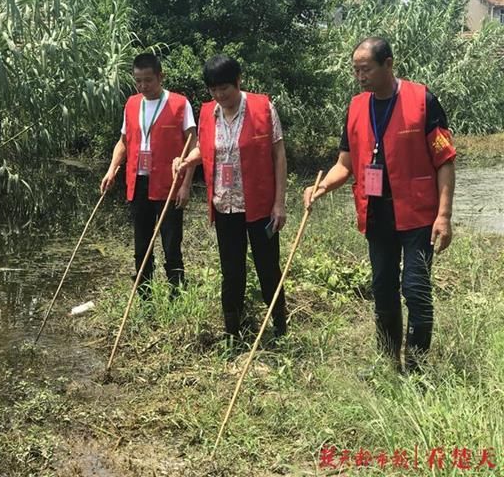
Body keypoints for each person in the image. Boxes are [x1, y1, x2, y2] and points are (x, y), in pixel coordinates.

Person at [303, 37, 456, 373]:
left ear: (388, 64)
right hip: (376, 215)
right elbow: (345, 164)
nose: (360, 77)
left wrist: (443, 215)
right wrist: (322, 186)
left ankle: (415, 369)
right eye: (356, 70)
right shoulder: (357, 107)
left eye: (366, 69)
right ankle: (388, 363)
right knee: (383, 289)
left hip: (417, 215)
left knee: (415, 289)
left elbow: (444, 159)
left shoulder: (422, 100)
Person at [174, 55, 288, 341]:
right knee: (231, 270)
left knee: (268, 267)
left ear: (238, 81)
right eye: (213, 89)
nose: (219, 95)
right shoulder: (208, 113)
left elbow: (278, 154)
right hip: (225, 205)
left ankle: (279, 326)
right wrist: (187, 160)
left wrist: (279, 202)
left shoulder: (263, 108)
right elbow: (206, 149)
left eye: (224, 88)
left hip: (259, 204)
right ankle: (233, 332)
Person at [101, 53, 196, 300]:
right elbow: (123, 141)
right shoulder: (132, 103)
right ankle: (144, 295)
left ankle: (177, 294)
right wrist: (112, 169)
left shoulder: (179, 104)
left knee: (171, 243)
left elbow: (193, 143)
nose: (143, 86)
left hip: (169, 183)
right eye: (138, 81)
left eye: (148, 80)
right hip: (138, 182)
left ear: (160, 77)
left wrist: (186, 185)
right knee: (142, 243)